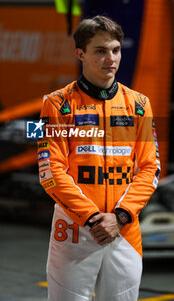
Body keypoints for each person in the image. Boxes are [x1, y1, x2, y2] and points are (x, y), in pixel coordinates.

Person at [37, 15, 160, 301]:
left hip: (124, 232)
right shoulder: (56, 103)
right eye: (101, 51)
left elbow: (150, 167)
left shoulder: (140, 105)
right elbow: (50, 171)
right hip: (74, 233)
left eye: (116, 49)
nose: (111, 58)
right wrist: (93, 218)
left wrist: (119, 216)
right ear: (80, 54)